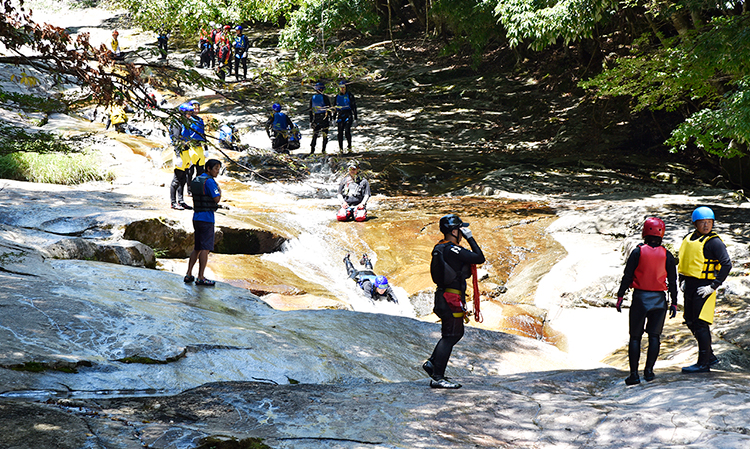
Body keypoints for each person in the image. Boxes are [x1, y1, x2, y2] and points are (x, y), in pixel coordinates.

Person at [423, 214, 485, 389]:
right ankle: (438, 377)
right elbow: (479, 257)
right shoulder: (452, 249)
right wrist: (470, 237)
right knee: (451, 336)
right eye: (460, 230)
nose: (462, 233)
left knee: (454, 334)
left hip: (444, 296)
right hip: (450, 298)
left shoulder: (441, 247)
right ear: (455, 231)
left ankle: (432, 363)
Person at [615, 217, 678, 385]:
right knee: (654, 336)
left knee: (635, 337)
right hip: (659, 301)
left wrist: (620, 295)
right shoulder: (667, 254)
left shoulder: (638, 251)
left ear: (645, 232)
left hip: (640, 299)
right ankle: (649, 372)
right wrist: (674, 302)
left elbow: (627, 276)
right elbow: (672, 281)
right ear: (661, 234)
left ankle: (634, 375)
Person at [677, 206, 732, 373]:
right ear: (695, 224)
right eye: (702, 222)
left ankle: (703, 364)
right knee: (689, 318)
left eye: (709, 222)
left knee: (701, 323)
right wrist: (682, 280)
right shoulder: (688, 238)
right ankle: (710, 356)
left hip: (704, 286)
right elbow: (683, 261)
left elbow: (726, 265)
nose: (706, 226)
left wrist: (713, 286)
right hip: (690, 285)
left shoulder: (714, 242)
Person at [185, 158, 222, 286]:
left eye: (218, 169)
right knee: (205, 248)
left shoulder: (197, 179)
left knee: (197, 247)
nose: (217, 171)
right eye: (216, 168)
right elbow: (216, 199)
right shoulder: (210, 182)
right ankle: (200, 277)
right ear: (208, 169)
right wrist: (219, 190)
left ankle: (189, 274)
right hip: (207, 219)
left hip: (196, 217)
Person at [169, 103, 194, 210]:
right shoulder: (176, 123)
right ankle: (173, 202)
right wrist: (178, 156)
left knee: (184, 178)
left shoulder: (186, 123)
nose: (190, 115)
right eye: (188, 113)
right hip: (179, 153)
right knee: (176, 180)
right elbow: (175, 140)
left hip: (186, 152)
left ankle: (181, 200)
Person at [180, 100, 207, 176]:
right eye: (194, 109)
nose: (196, 111)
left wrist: (206, 149)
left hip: (199, 147)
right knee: (190, 172)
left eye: (198, 109)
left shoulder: (200, 120)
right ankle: (189, 187)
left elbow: (203, 135)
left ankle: (198, 187)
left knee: (201, 170)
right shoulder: (188, 120)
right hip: (190, 147)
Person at [333, 80, 358, 153]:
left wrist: (356, 118)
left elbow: (354, 107)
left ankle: (349, 147)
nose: (342, 89)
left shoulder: (350, 95)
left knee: (347, 131)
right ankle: (341, 149)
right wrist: (333, 119)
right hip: (340, 115)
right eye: (341, 87)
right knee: (340, 132)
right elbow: (334, 108)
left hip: (348, 114)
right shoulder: (337, 96)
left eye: (343, 87)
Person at [309, 81, 331, 154]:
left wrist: (310, 120)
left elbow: (310, 110)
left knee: (315, 134)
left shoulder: (312, 98)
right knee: (325, 134)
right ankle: (323, 150)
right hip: (324, 118)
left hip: (316, 118)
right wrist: (331, 118)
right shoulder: (325, 97)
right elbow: (329, 108)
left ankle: (312, 151)